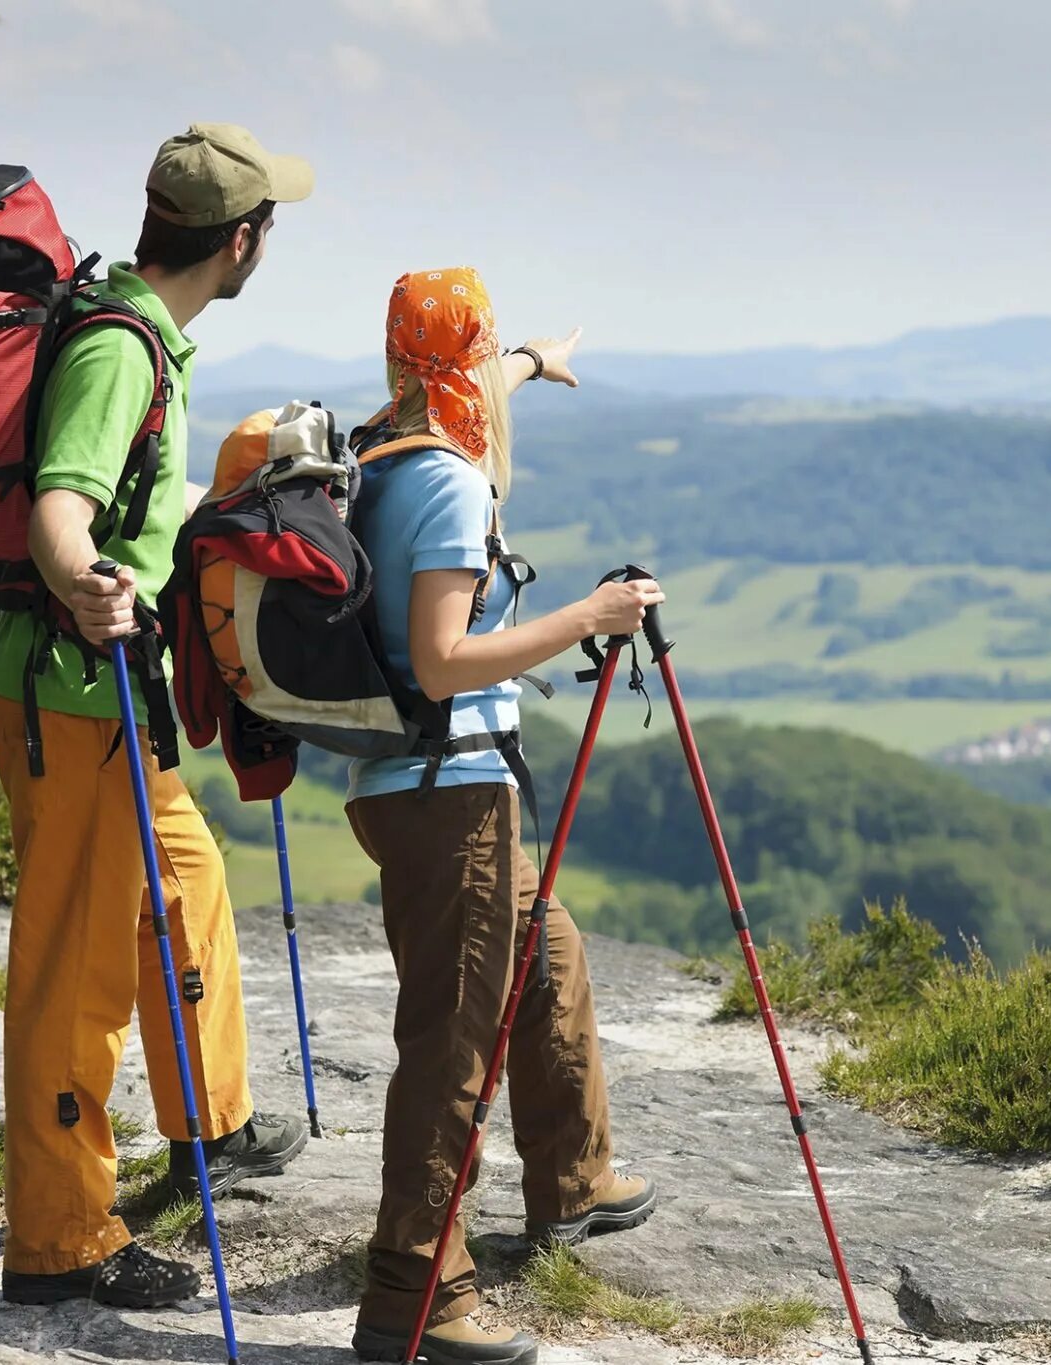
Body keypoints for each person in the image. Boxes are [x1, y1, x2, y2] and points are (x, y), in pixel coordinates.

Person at [0, 123, 314, 1310]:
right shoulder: (120, 350)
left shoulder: (138, 324)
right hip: (72, 696)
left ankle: (208, 1125)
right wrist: (88, 582)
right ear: (241, 242)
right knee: (75, 967)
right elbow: (60, 506)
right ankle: (60, 1240)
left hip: (108, 695)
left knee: (186, 883)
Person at [344, 268, 665, 1365]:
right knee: (449, 1047)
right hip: (448, 793)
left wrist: (532, 358)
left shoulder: (383, 442)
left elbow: (471, 387)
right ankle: (414, 1298)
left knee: (548, 947)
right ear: (458, 363)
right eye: (486, 357)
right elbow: (440, 660)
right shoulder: (444, 485)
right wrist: (591, 613)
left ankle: (571, 1184)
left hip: (411, 787)